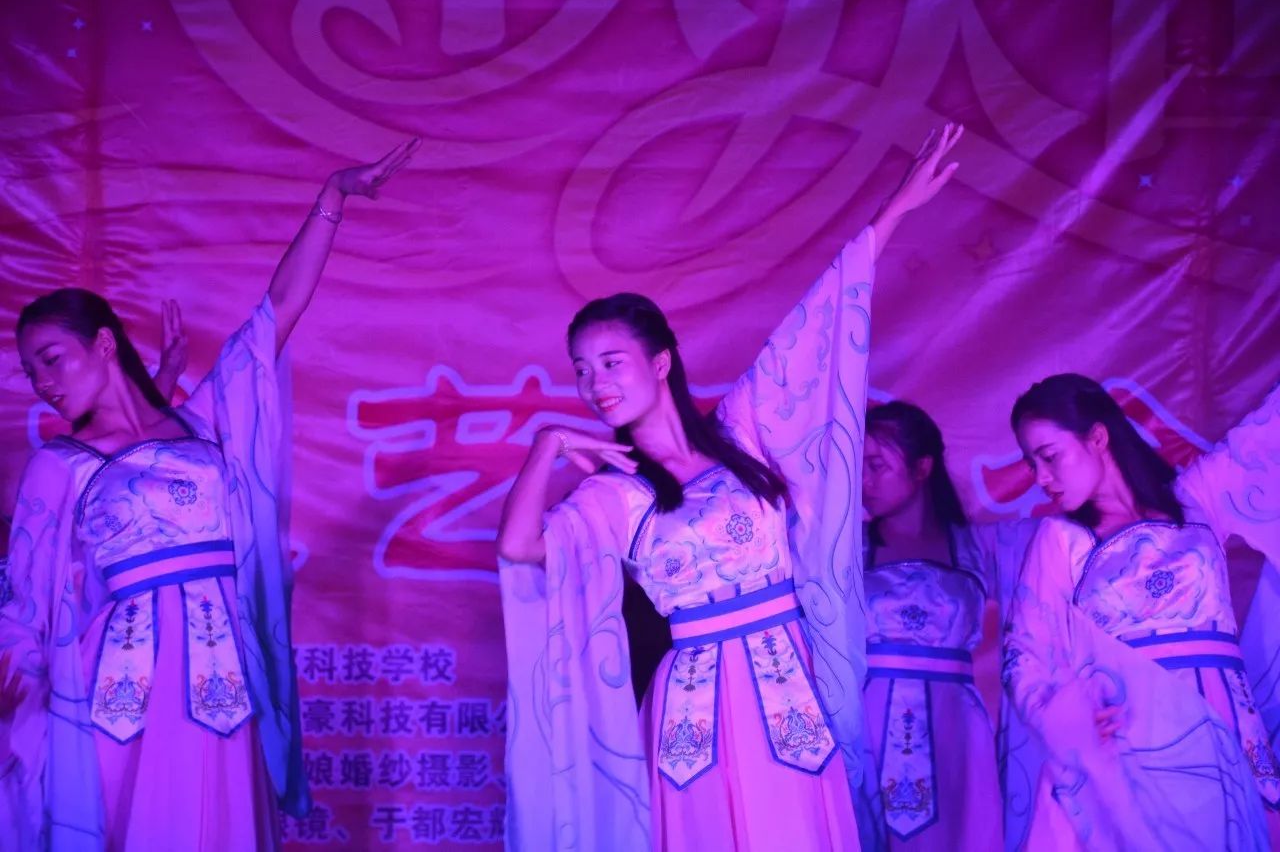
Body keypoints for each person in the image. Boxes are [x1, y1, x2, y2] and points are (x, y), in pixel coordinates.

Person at [496, 124, 963, 851]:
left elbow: (815, 330)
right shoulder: (616, 494)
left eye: (612, 362)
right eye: (582, 371)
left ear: (660, 363)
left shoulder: (742, 431)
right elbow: (520, 547)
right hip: (696, 711)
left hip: (790, 686)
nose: (595, 384)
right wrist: (547, 443)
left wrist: (895, 210)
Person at [0, 138, 418, 850]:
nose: (43, 382)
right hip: (125, 688)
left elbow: (275, 314)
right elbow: (23, 600)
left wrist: (333, 197)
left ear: (103, 344)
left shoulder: (202, 424)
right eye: (31, 371)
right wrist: (19, 690)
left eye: (52, 359)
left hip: (225, 667)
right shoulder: (60, 466)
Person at [1002, 373, 1280, 850]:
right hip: (1136, 745)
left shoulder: (1197, 500)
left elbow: (1268, 434)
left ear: (1097, 437)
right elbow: (1023, 655)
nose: (1041, 478)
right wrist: (1067, 716)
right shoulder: (1062, 540)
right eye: (1032, 464)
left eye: (1049, 457)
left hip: (1227, 734)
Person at [861, 400, 1036, 849]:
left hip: (956, 728)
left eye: (876, 465)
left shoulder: (983, 547)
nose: (864, 481)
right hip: (867, 725)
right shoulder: (843, 551)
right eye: (857, 467)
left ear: (922, 468)